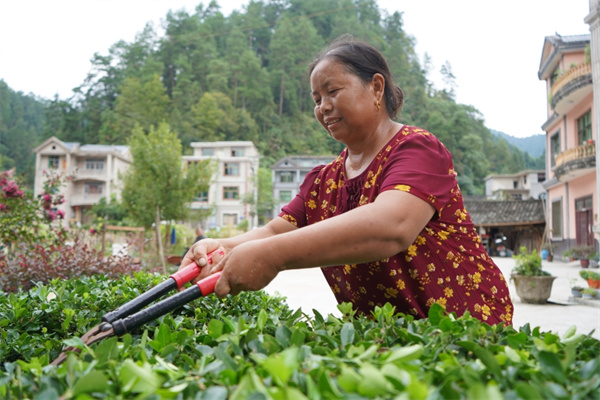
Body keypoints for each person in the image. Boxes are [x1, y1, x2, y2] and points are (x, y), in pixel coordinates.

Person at [179, 36, 513, 325]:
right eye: (316, 99)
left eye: (333, 91)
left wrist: (272, 256)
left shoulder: (417, 150)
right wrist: (221, 247)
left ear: (376, 87)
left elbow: (391, 225)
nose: (323, 107)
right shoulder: (323, 181)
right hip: (387, 339)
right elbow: (273, 233)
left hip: (463, 328)